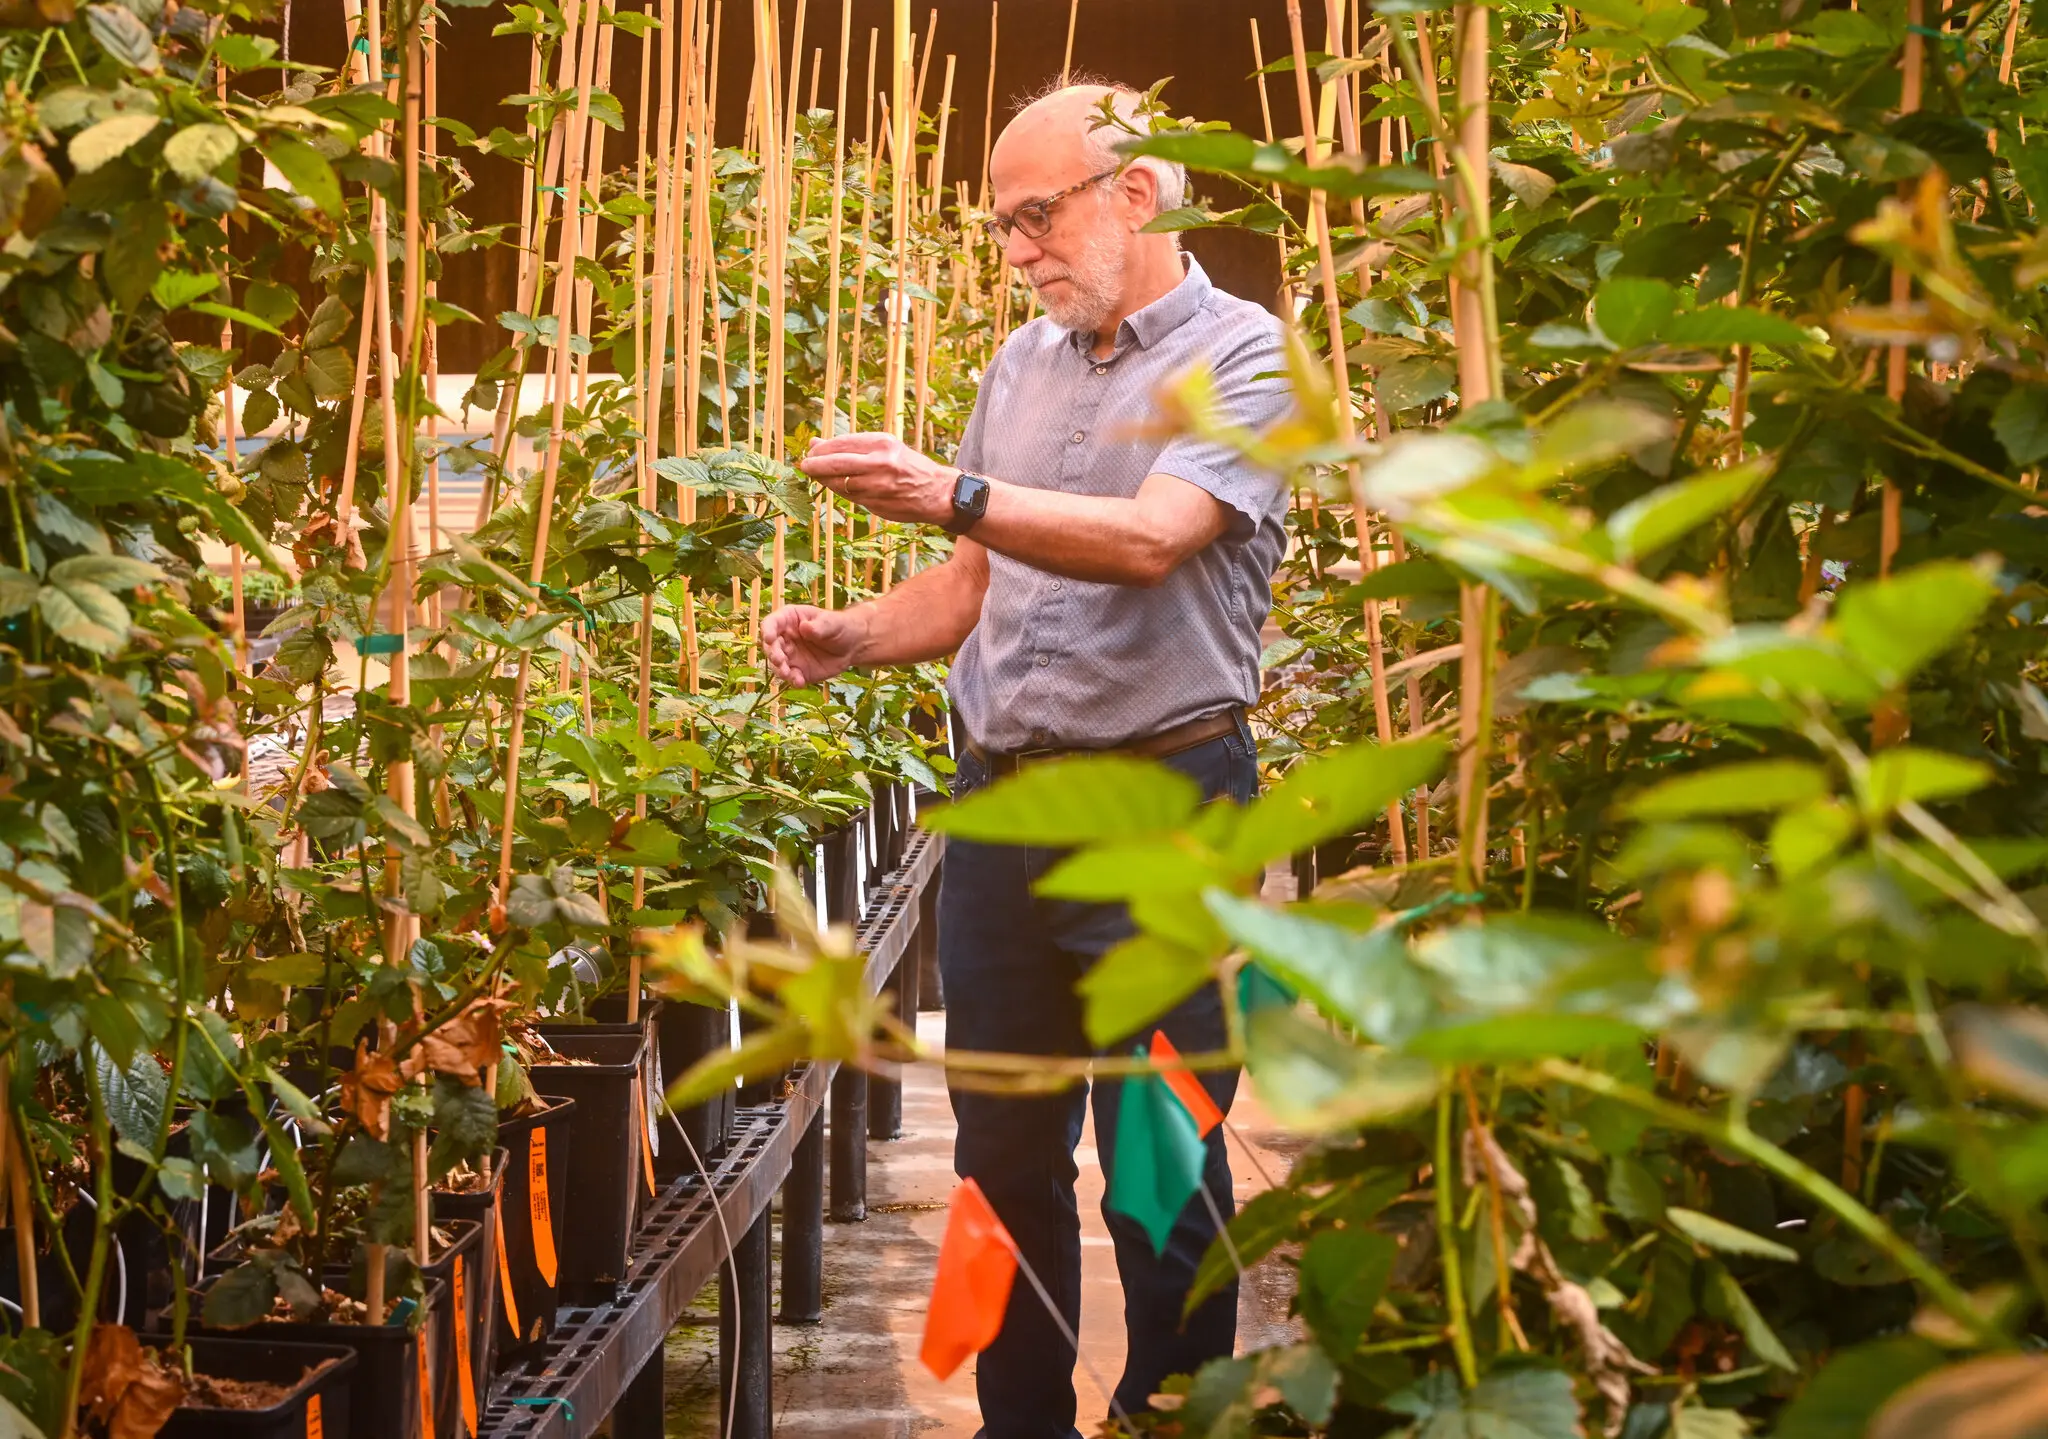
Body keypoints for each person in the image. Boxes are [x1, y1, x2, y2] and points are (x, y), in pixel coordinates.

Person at [761, 81, 1290, 1439]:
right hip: (1001, 811)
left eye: (1035, 215)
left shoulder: (1246, 359)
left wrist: (953, 490)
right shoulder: (1022, 365)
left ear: (1139, 192)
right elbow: (973, 581)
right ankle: (1022, 1424)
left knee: (1159, 1156)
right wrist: (852, 634)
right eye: (1002, 227)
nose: (1017, 249)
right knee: (999, 1162)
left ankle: (1167, 1414)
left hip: (1161, 807)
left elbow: (1153, 536)